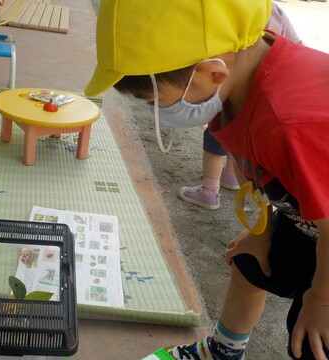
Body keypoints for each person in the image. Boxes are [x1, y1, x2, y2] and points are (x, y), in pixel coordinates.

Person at [85, 1, 329, 359]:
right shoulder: (234, 88)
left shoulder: (288, 124)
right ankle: (222, 351)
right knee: (249, 262)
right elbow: (252, 166)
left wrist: (321, 297)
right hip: (311, 215)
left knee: (312, 336)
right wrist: (262, 233)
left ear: (212, 73)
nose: (157, 111)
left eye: (156, 100)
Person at [178, 1, 303, 211]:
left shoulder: (222, 9)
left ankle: (210, 190)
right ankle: (230, 175)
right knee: (241, 144)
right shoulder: (273, 10)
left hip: (227, 90)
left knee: (218, 137)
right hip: (261, 94)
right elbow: (297, 46)